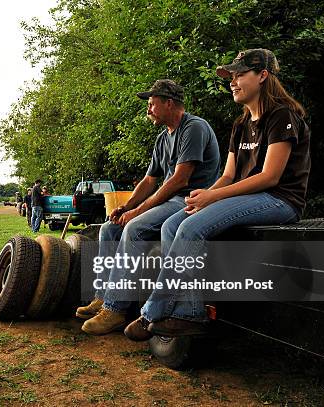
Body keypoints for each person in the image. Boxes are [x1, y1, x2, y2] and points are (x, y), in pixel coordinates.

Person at [124, 49, 311, 341]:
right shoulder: (241, 124)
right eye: (231, 76)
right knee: (174, 222)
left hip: (280, 200)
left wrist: (214, 199)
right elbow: (227, 175)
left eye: (239, 75)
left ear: (262, 76)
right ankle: (190, 312)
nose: (232, 82)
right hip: (248, 198)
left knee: (189, 228)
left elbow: (269, 177)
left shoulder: (281, 116)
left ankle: (152, 311)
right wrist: (204, 195)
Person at [78, 79, 221, 335]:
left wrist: (137, 212)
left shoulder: (194, 128)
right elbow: (149, 180)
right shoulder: (162, 139)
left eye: (152, 104)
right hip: (169, 199)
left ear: (168, 103)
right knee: (110, 229)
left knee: (134, 228)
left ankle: (115, 309)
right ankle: (102, 296)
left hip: (190, 200)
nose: (148, 110)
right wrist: (125, 207)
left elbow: (180, 180)